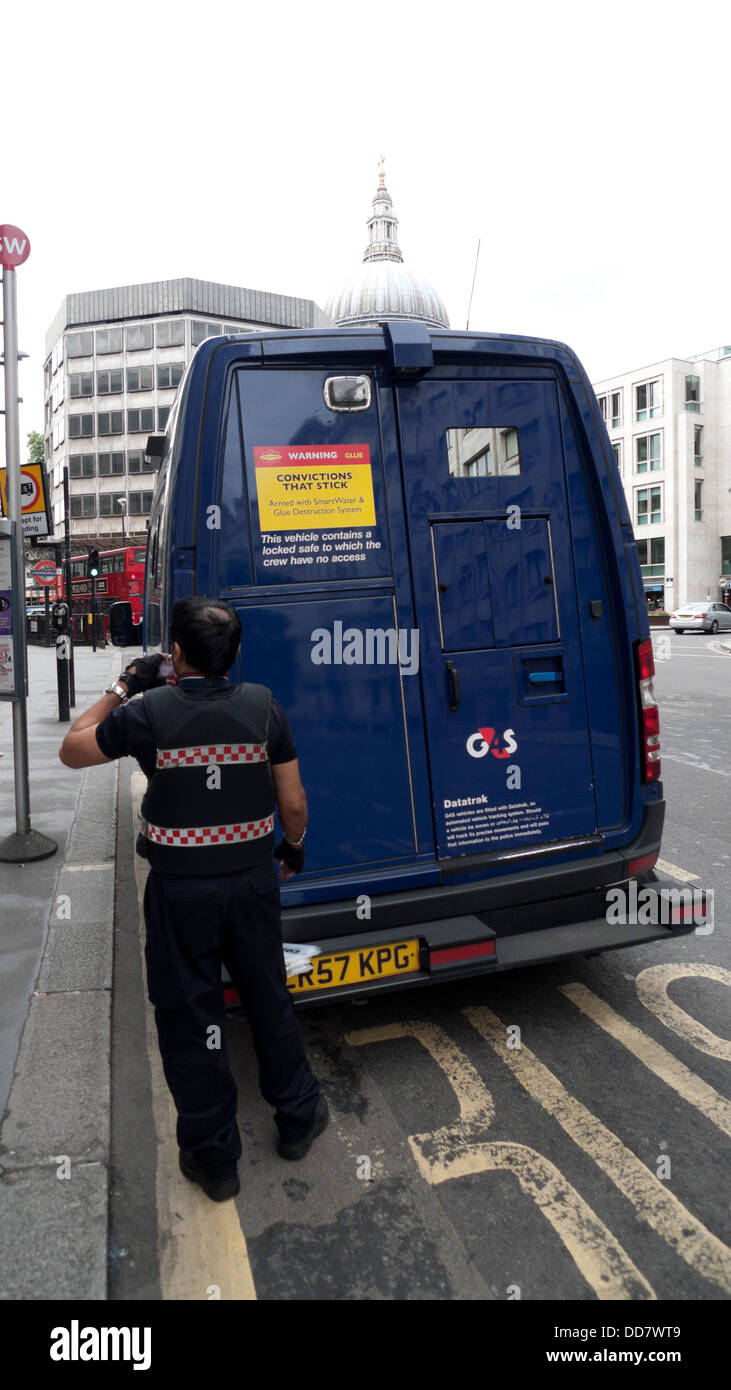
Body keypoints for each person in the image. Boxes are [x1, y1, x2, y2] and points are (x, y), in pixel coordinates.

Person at [59, 597, 327, 1202]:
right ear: (233, 657)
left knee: (191, 1016)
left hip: (182, 895)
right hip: (254, 886)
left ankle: (215, 1160)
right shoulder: (264, 709)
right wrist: (294, 850)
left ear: (175, 655)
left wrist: (123, 684)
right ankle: (297, 1119)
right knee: (268, 999)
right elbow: (294, 804)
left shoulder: (147, 713)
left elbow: (72, 747)